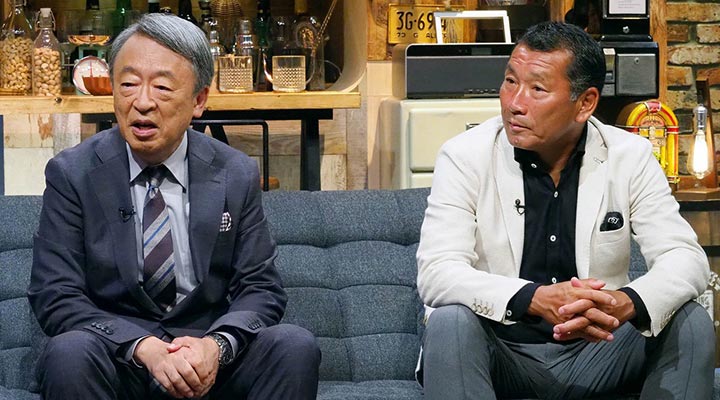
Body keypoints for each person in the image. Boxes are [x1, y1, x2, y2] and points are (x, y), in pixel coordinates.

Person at [416, 21, 714, 400]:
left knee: (691, 321)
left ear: (585, 103)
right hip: (502, 349)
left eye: (537, 89)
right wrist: (533, 298)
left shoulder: (630, 156)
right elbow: (437, 272)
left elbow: (686, 258)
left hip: (600, 349)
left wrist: (624, 303)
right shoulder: (464, 156)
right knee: (449, 322)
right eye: (510, 81)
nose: (514, 103)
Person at [28, 14, 320, 400]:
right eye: (128, 84)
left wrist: (216, 347)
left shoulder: (234, 172)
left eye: (162, 87)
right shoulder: (72, 174)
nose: (142, 102)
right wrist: (143, 348)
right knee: (68, 353)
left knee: (293, 346)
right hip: (119, 359)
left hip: (207, 359)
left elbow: (260, 288)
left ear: (199, 100)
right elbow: (55, 293)